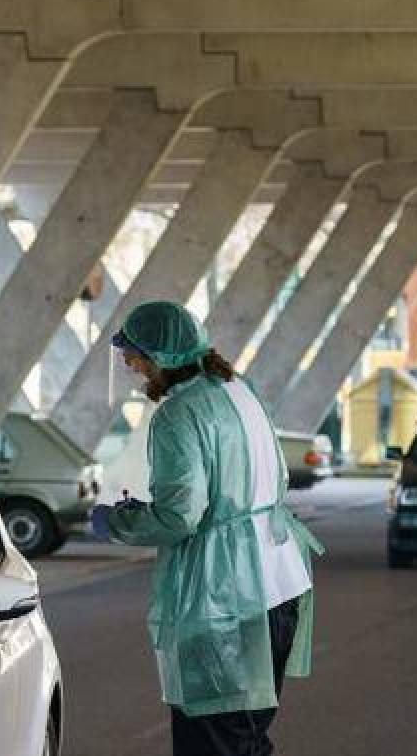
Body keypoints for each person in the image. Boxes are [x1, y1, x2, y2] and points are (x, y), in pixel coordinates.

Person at [91, 301, 323, 756]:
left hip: (225, 597)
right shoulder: (239, 390)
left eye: (135, 354)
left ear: (163, 355)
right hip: (279, 582)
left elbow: (181, 515)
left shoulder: (180, 412)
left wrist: (118, 520)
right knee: (247, 739)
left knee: (212, 740)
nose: (130, 364)